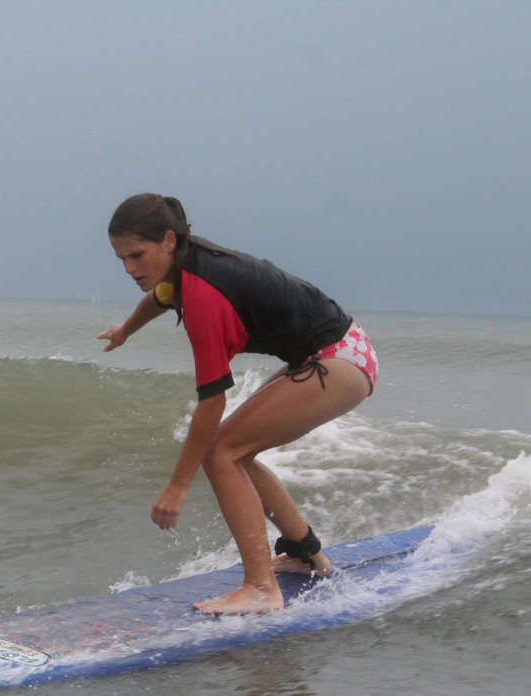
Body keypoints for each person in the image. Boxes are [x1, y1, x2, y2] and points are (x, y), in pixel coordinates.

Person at [98, 193, 378, 615]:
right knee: (236, 450)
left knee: (221, 450)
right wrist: (126, 330)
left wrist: (178, 485)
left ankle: (262, 588)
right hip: (338, 353)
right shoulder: (186, 262)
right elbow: (161, 296)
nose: (129, 268)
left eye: (136, 255)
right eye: (121, 258)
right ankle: (305, 555)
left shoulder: (203, 297)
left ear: (169, 241)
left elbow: (212, 401)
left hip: (338, 361)